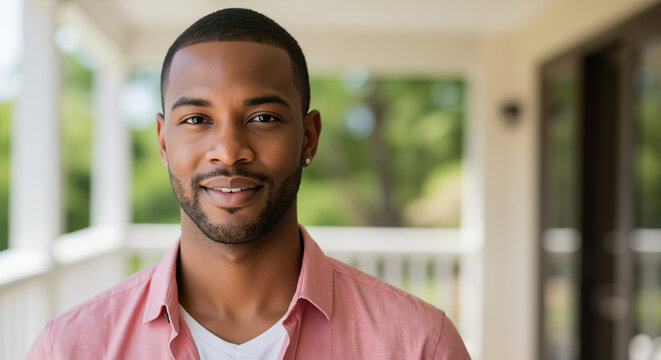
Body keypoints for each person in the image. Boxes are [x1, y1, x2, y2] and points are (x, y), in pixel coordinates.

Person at [27, 8, 470, 360]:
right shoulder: (68, 349)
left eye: (263, 118)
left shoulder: (418, 345)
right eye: (197, 119)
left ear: (309, 138)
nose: (229, 149)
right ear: (163, 142)